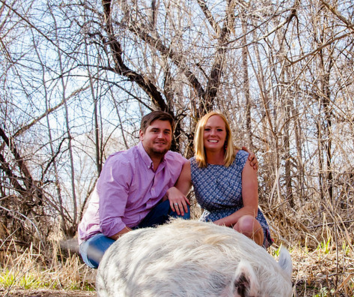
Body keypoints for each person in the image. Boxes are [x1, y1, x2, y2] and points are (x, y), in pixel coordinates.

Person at [78, 111, 258, 268]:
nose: (161, 136)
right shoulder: (120, 165)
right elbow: (110, 224)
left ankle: (172, 261)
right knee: (125, 263)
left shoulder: (175, 162)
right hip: (100, 237)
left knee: (179, 205)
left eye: (166, 132)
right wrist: (148, 247)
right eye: (154, 131)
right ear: (141, 134)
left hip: (141, 228)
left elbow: (213, 154)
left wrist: (171, 190)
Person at [174, 111, 273, 247]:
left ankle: (252, 266)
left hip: (241, 221)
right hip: (210, 225)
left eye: (219, 130)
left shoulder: (243, 160)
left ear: (226, 135)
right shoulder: (191, 166)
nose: (213, 134)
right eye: (207, 129)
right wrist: (171, 191)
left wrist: (215, 225)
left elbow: (251, 209)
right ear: (200, 134)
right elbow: (175, 203)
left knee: (247, 225)